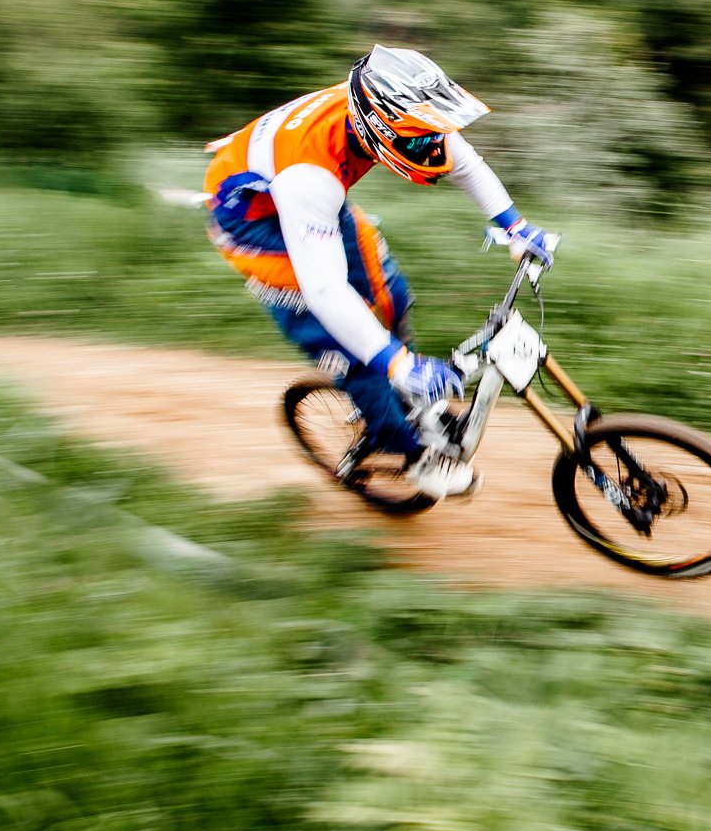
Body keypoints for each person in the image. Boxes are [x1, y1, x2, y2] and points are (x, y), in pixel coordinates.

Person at [203, 45, 556, 498]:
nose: (432, 145)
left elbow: (465, 163)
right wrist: (397, 363)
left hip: (300, 194)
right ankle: (412, 455)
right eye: (420, 139)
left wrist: (516, 227)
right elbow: (324, 288)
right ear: (379, 129)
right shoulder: (311, 178)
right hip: (251, 224)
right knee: (352, 349)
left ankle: (403, 395)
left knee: (390, 292)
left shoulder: (393, 109)